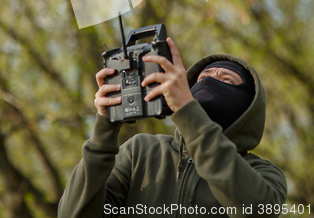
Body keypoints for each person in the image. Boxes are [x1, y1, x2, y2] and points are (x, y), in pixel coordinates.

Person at [58, 37, 287, 218]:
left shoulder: (263, 173)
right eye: (202, 78)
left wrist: (187, 111)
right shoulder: (141, 152)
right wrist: (104, 131)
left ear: (248, 105)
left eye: (226, 79)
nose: (208, 82)